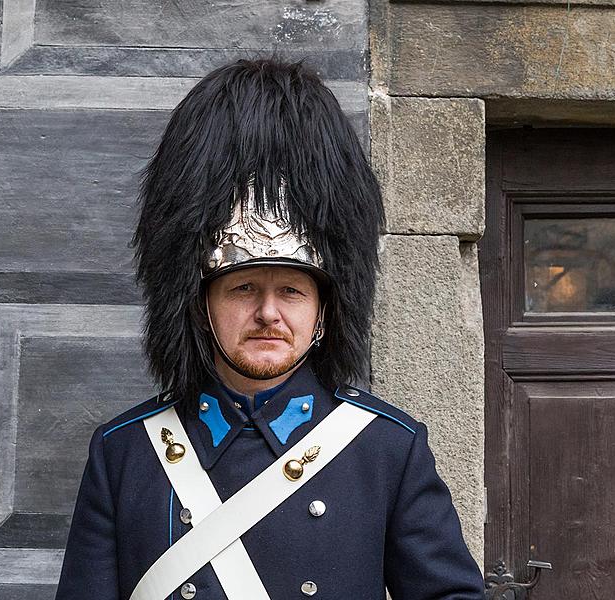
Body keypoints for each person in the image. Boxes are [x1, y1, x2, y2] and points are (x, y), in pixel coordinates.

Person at [55, 58, 484, 600]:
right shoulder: (126, 453)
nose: (268, 314)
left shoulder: (385, 449)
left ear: (323, 310)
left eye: (291, 292)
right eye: (242, 289)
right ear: (199, 303)